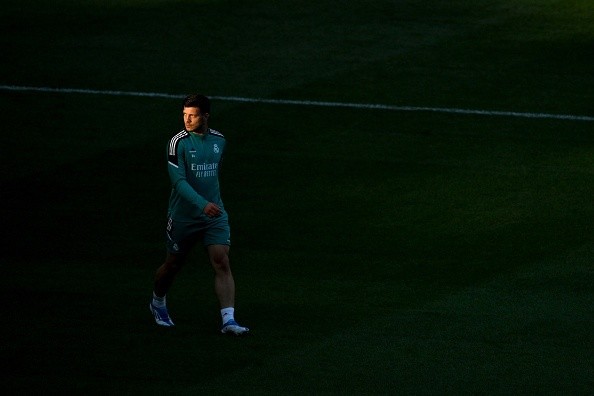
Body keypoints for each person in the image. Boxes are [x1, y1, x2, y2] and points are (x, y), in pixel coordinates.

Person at [149, 94, 249, 336]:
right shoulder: (178, 143)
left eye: (192, 115)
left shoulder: (219, 141)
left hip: (214, 213)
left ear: (205, 116)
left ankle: (228, 320)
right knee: (173, 264)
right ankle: (158, 301)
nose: (187, 119)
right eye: (184, 115)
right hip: (184, 216)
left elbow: (213, 175)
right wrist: (202, 204)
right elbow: (179, 182)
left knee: (221, 260)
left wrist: (210, 205)